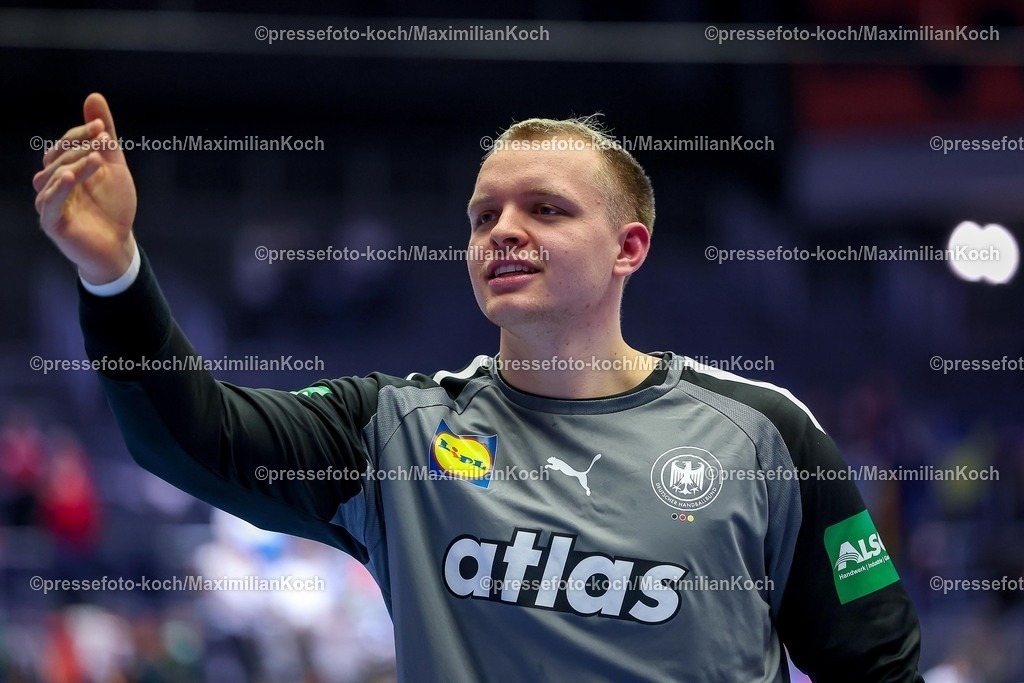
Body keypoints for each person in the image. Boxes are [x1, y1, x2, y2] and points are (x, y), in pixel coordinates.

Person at [33, 93, 923, 681]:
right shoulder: (395, 433)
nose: (502, 229)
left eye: (546, 208)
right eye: (483, 214)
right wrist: (115, 272)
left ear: (629, 249)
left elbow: (875, 665)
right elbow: (192, 437)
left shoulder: (765, 434)